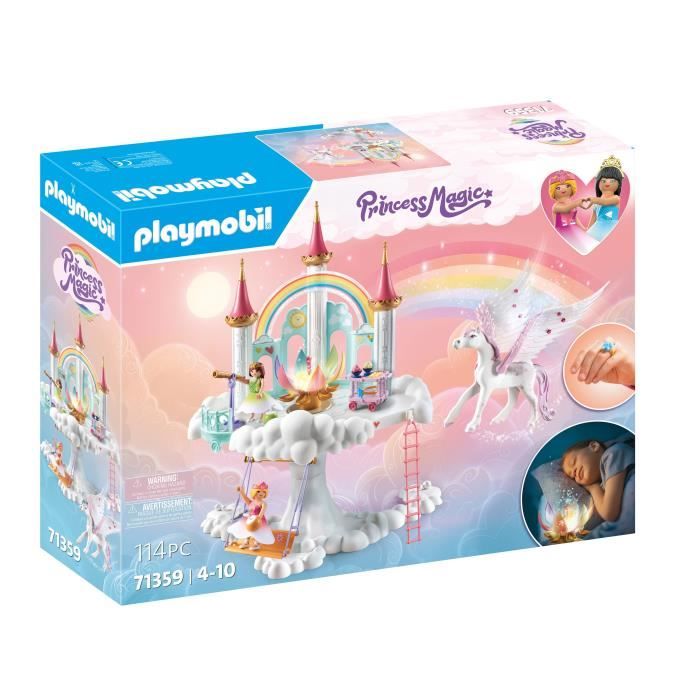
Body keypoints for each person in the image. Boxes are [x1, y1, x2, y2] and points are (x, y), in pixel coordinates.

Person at [561, 439, 634, 522]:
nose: (574, 472)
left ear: (594, 446)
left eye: (573, 462)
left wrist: (593, 488)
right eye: (573, 477)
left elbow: (609, 513)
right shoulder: (602, 487)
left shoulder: (613, 453)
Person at [585, 156, 624, 242]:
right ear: (598, 183)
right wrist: (587, 232)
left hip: (610, 230)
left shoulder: (616, 198)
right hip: (595, 231)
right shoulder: (597, 201)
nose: (607, 183)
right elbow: (593, 219)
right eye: (603, 180)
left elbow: (605, 202)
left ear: (619, 184)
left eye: (612, 181)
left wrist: (593, 200)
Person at [227, 482, 275, 551]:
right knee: (246, 530)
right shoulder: (251, 502)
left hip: (258, 520)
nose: (261, 493)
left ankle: (257, 543)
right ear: (254, 492)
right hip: (249, 519)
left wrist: (258, 518)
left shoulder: (263, 503)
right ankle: (246, 541)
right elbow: (244, 497)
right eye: (258, 491)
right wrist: (241, 491)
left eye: (263, 492)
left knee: (257, 532)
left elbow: (262, 512)